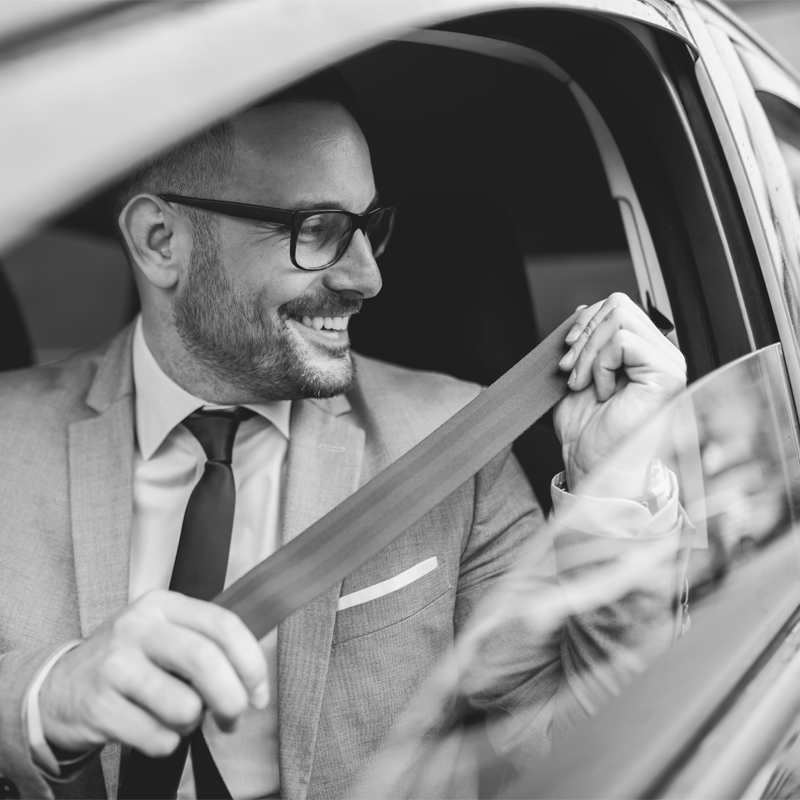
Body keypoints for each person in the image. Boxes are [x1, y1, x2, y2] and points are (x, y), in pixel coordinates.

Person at [0, 71, 687, 800]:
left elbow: (578, 753)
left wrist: (616, 482)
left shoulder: (454, 442)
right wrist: (44, 699)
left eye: (368, 228)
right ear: (159, 241)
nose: (368, 278)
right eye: (316, 230)